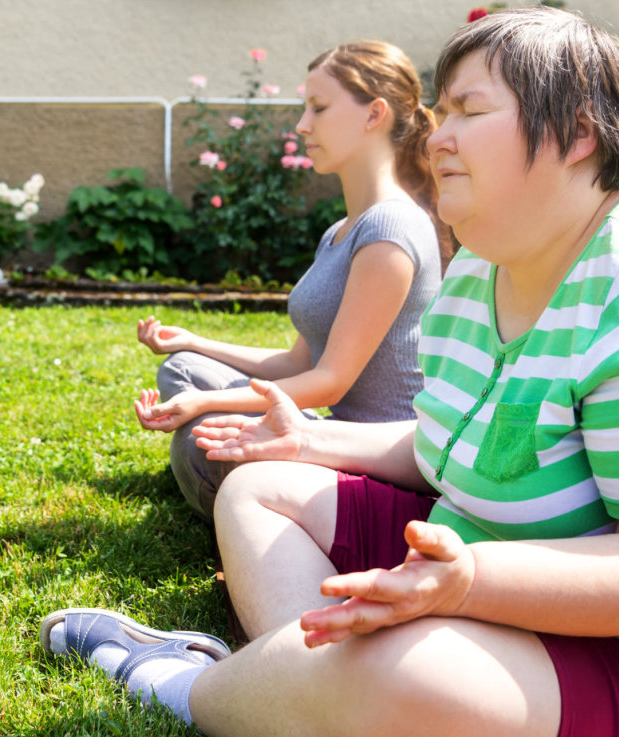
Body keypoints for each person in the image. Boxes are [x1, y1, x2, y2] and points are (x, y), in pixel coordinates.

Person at [44, 8, 619, 737]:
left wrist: (470, 580)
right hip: (478, 582)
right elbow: (453, 446)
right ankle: (306, 691)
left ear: (578, 134)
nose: (437, 136)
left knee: (402, 669)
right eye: (440, 112)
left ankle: (186, 686)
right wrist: (308, 445)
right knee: (258, 489)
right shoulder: (482, 264)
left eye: (468, 111)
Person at [133, 40, 445, 522]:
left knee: (202, 429)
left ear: (373, 114)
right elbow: (298, 361)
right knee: (185, 368)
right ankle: (225, 466)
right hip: (316, 426)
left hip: (367, 460)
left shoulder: (392, 230)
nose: (302, 125)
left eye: (318, 108)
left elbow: (329, 384)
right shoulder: (339, 231)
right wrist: (197, 341)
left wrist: (208, 403)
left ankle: (242, 491)